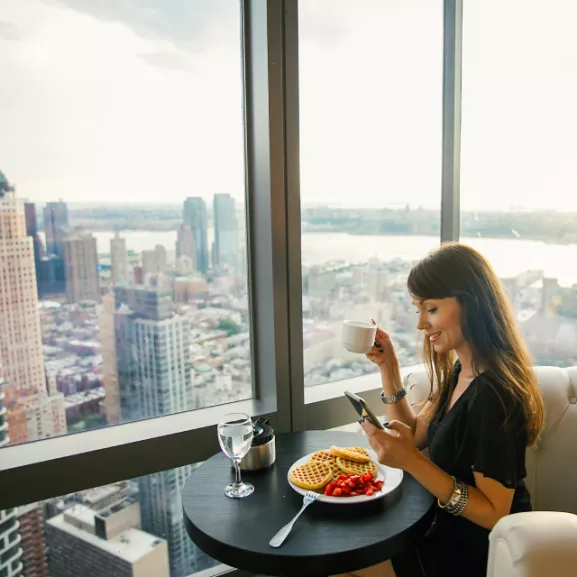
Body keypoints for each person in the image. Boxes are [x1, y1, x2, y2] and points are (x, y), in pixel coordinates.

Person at [335, 242, 545, 577]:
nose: (421, 324)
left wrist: (412, 462)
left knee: (342, 564)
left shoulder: (495, 394)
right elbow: (416, 434)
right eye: (418, 309)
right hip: (436, 527)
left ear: (471, 304)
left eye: (430, 309)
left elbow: (495, 513)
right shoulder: (462, 371)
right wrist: (389, 367)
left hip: (476, 553)